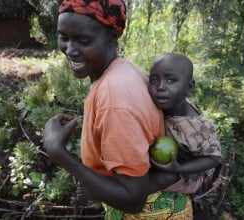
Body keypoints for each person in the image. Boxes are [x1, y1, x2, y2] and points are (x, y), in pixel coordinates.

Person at [43, 1, 193, 219]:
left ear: (112, 38)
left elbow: (132, 199)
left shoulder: (115, 100)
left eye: (84, 41)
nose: (70, 49)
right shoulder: (120, 71)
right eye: (63, 37)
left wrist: (60, 154)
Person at [147, 53, 222, 196]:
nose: (160, 87)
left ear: (189, 87)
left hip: (187, 173)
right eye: (154, 80)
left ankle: (131, 195)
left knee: (165, 176)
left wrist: (179, 168)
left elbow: (214, 158)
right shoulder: (167, 100)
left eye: (170, 80)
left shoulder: (196, 127)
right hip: (164, 156)